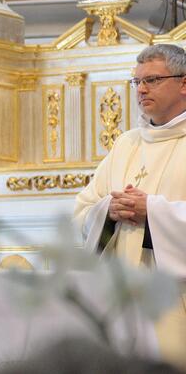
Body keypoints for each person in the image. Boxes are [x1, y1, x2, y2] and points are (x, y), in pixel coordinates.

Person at [74, 43, 186, 369]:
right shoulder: (127, 144)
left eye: (152, 80)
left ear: (183, 83)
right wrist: (107, 212)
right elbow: (82, 211)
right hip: (122, 299)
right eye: (137, 82)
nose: (142, 89)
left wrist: (152, 213)